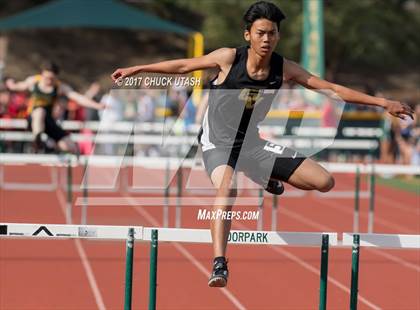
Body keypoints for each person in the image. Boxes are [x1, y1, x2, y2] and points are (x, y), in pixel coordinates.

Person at [111, 1, 414, 287]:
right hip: (218, 145)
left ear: (278, 36)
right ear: (248, 35)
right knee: (228, 188)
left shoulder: (284, 69)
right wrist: (138, 69)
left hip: (253, 145)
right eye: (260, 33)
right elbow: (183, 67)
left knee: (324, 181)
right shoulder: (229, 58)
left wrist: (382, 102)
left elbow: (332, 90)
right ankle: (219, 262)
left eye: (272, 33)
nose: (266, 39)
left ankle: (264, 173)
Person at [5, 61, 104, 153]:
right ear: (42, 74)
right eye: (46, 77)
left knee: (71, 147)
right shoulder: (34, 81)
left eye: (51, 79)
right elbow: (18, 86)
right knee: (40, 111)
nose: (48, 81)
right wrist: (10, 84)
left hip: (48, 121)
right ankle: (37, 139)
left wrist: (97, 105)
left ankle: (51, 146)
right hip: (33, 119)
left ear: (56, 77)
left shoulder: (60, 87)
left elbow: (78, 98)